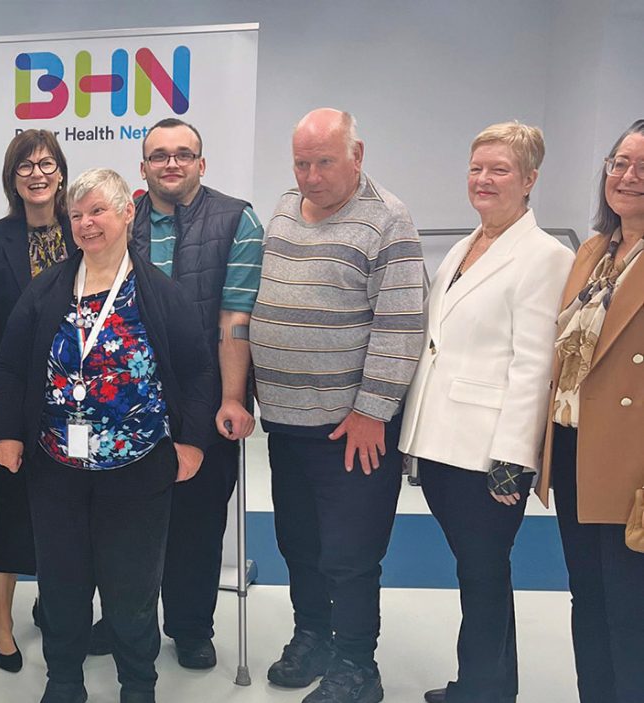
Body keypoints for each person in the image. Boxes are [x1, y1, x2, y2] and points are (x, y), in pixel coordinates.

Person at [0, 168, 216, 703]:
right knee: (63, 587)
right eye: (77, 215)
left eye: (98, 211)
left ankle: (138, 684)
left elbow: (199, 371)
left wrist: (192, 441)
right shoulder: (47, 289)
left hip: (137, 469)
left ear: (127, 215)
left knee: (132, 592)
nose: (86, 223)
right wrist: (6, 432)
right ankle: (64, 681)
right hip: (56, 470)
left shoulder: (159, 293)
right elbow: (11, 365)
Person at [250, 108, 425, 703]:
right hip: (285, 422)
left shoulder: (388, 221)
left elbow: (401, 325)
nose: (311, 176)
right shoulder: (279, 208)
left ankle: (356, 666)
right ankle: (312, 637)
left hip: (351, 427)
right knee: (296, 543)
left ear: (357, 155)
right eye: (301, 163)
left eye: (324, 162)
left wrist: (373, 411)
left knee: (349, 555)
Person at [399, 122, 573, 703]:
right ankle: (486, 682)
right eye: (477, 168)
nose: (484, 179)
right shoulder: (463, 247)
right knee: (477, 572)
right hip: (444, 441)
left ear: (529, 180)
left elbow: (533, 364)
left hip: (487, 452)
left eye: (499, 169)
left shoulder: (545, 255)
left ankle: (483, 688)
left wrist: (511, 461)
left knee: (482, 573)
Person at [116, 116, 263, 670]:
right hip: (125, 397)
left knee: (198, 519)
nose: (170, 163)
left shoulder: (236, 220)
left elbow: (235, 318)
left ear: (202, 162)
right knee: (126, 518)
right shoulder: (120, 216)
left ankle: (190, 626)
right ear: (144, 166)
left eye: (183, 154)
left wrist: (232, 398)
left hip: (204, 391)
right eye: (159, 155)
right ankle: (126, 620)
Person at [536, 118, 644, 703]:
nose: (627, 176)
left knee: (632, 610)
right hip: (577, 447)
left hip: (633, 463)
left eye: (643, 167)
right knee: (589, 597)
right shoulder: (594, 251)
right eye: (619, 163)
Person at [0, 128, 75, 673]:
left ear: (61, 172)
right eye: (25, 167)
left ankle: (57, 605)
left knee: (67, 511)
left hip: (78, 401)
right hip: (14, 397)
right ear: (13, 179)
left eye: (46, 164)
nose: (37, 175)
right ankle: (1, 621)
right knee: (12, 506)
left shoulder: (82, 232)